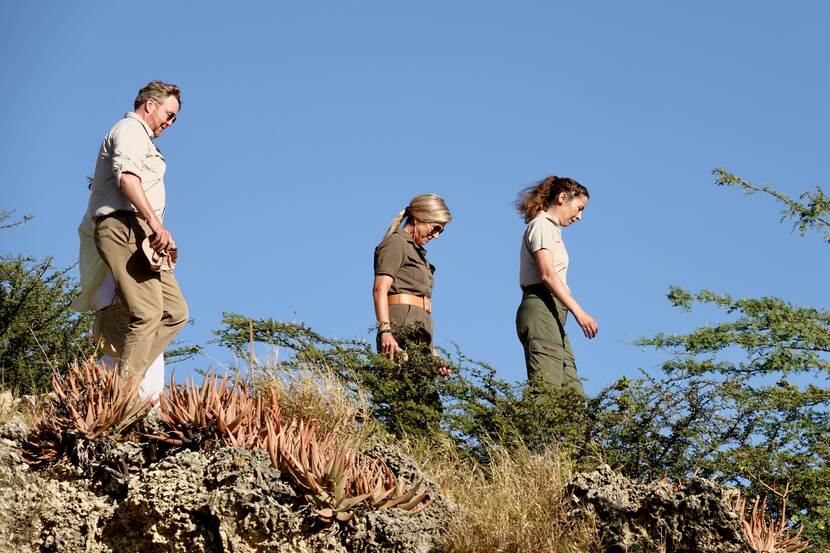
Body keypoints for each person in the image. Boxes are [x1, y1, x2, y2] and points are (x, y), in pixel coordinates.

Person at [78, 80, 188, 380]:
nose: (170, 121)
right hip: (122, 226)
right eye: (169, 113)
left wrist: (153, 232)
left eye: (175, 118)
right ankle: (124, 391)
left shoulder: (145, 140)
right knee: (149, 312)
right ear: (150, 104)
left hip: (141, 232)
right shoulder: (129, 131)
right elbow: (127, 178)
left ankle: (127, 375)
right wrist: (156, 225)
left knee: (175, 312)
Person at [515, 176, 598, 394]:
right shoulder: (541, 226)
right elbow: (547, 275)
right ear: (562, 198)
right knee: (546, 390)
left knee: (573, 395)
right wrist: (580, 313)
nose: (579, 216)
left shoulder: (552, 230)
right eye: (579, 208)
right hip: (541, 306)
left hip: (553, 314)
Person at [372, 194, 452, 371]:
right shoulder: (396, 243)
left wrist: (432, 353)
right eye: (436, 227)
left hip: (420, 325)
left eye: (441, 231)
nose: (436, 235)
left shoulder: (418, 253)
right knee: (401, 389)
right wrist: (385, 332)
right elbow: (379, 290)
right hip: (399, 325)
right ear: (419, 218)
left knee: (421, 394)